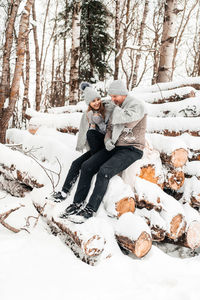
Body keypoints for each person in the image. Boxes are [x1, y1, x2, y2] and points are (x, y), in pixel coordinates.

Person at [60, 79, 147, 223]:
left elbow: (128, 121)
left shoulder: (136, 105)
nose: (112, 100)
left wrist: (114, 109)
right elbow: (110, 129)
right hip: (114, 146)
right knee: (86, 166)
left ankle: (90, 210)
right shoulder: (117, 106)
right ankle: (77, 203)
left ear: (122, 93)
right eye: (111, 97)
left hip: (132, 148)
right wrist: (107, 141)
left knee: (104, 171)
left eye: (114, 96)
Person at [50, 82, 112, 203]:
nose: (97, 102)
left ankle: (95, 160)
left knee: (91, 134)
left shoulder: (107, 110)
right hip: (95, 150)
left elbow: (108, 132)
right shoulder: (87, 115)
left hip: (106, 146)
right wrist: (92, 123)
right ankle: (63, 192)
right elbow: (85, 133)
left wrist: (97, 122)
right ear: (88, 103)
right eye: (93, 101)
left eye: (98, 99)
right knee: (75, 163)